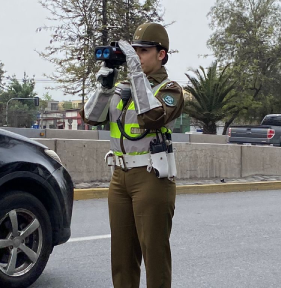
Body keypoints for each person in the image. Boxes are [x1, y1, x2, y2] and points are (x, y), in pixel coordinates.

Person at [80, 22, 184, 288]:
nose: (136, 56)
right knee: (122, 257)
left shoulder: (170, 90)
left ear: (161, 54)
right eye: (134, 50)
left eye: (143, 50)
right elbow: (91, 117)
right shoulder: (124, 88)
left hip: (151, 176)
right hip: (119, 177)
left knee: (154, 254)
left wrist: (136, 74)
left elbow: (151, 117)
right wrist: (104, 87)